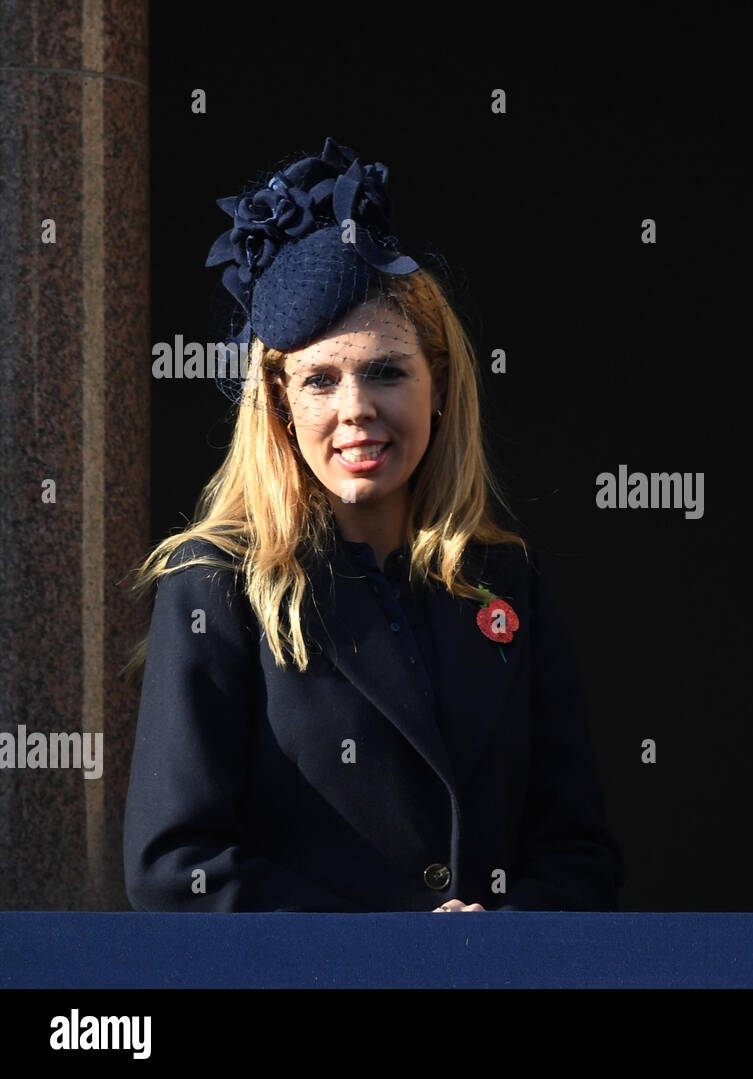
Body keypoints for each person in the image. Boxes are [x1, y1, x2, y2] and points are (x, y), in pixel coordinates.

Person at [123, 138, 622, 912]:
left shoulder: (508, 578)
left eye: (386, 370)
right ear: (282, 407)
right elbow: (175, 866)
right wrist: (389, 953)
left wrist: (503, 934)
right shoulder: (218, 581)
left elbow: (580, 855)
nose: (356, 406)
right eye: (319, 379)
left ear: (440, 386)